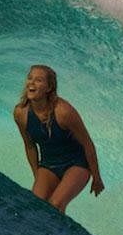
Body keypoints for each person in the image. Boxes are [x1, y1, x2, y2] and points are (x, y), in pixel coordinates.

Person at [13, 64, 103, 214]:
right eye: (30, 78)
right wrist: (38, 176)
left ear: (49, 88)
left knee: (55, 205)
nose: (32, 83)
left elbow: (87, 144)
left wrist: (97, 178)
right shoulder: (20, 113)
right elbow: (30, 146)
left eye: (39, 80)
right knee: (36, 205)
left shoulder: (64, 112)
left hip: (76, 163)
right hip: (48, 164)